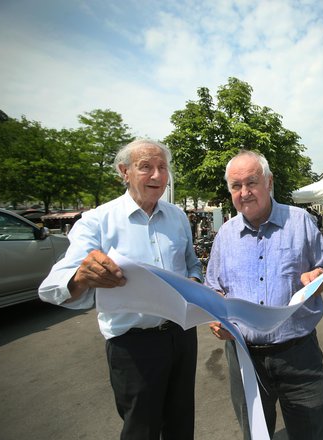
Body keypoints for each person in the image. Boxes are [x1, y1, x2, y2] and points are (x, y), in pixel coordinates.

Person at [38, 139, 203, 440]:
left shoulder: (178, 217)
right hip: (133, 345)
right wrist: (82, 276)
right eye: (146, 167)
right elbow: (50, 288)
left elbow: (192, 263)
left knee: (181, 422)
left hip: (182, 335)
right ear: (124, 172)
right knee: (141, 428)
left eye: (162, 168)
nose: (156, 176)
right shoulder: (97, 221)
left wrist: (193, 282)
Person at [205, 150, 323, 440]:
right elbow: (214, 286)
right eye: (236, 186)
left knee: (312, 432)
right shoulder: (224, 235)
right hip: (244, 357)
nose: (245, 192)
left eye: (252, 182)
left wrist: (316, 278)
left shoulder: (300, 222)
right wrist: (215, 318)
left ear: (269, 182)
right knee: (256, 434)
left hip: (299, 355)